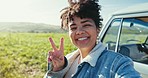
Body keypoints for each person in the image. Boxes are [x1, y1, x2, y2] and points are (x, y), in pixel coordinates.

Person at [44, 0, 141, 78]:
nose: (79, 31)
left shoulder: (117, 63)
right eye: (73, 28)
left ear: (98, 29)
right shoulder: (68, 60)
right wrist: (58, 69)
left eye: (86, 25)